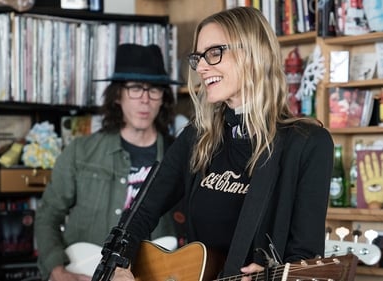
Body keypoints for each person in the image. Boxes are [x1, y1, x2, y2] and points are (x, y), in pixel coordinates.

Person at [111, 7, 334, 281]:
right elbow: (142, 211)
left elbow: (306, 259)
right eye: (199, 57)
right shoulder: (197, 137)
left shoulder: (307, 143)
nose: (202, 67)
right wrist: (121, 265)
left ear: (253, 54)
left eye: (214, 53)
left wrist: (272, 276)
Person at [34, 43, 180, 281]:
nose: (145, 99)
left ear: (163, 98)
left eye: (154, 89)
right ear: (117, 96)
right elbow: (48, 216)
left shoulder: (180, 156)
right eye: (134, 88)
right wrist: (58, 271)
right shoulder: (80, 152)